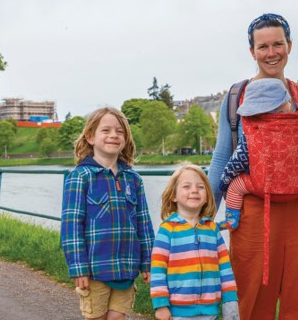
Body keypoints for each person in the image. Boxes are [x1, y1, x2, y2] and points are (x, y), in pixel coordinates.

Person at [206, 13, 298, 319]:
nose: (271, 52)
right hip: (252, 212)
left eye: (278, 44)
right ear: (252, 51)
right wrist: (204, 218)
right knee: (250, 296)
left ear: (290, 45)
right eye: (263, 47)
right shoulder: (237, 97)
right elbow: (222, 157)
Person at [60, 107, 155, 320]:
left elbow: (144, 223)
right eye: (106, 130)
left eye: (119, 131)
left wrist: (148, 262)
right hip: (94, 270)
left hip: (126, 269)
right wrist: (78, 267)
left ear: (126, 138)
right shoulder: (80, 177)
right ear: (91, 137)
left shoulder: (133, 179)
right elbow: (71, 227)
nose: (113, 135)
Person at [218, 78, 298, 235]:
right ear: (287, 104)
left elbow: (236, 162)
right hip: (297, 188)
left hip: (263, 188)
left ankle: (232, 219)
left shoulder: (253, 134)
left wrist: (224, 183)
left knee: (236, 187)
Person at [150, 164, 239, 320]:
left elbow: (225, 268)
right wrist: (161, 305)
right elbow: (158, 272)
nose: (194, 190)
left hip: (210, 311)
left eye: (200, 187)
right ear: (174, 195)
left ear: (207, 197)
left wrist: (230, 301)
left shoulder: (212, 229)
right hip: (178, 313)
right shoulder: (167, 230)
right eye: (186, 186)